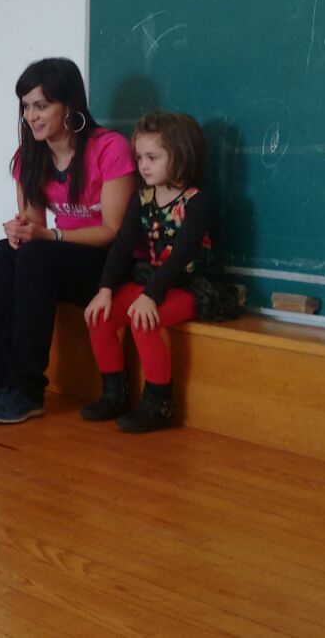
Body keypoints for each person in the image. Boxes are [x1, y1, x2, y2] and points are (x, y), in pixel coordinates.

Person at [0, 58, 135, 424]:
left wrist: (51, 235)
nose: (31, 116)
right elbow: (34, 227)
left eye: (41, 106)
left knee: (37, 256)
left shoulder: (109, 148)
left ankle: (27, 389)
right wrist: (21, 231)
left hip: (109, 261)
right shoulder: (29, 157)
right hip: (60, 258)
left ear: (68, 105)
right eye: (25, 107)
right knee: (3, 253)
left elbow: (113, 230)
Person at [83, 112, 233, 432]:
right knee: (100, 316)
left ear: (179, 155)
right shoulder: (142, 198)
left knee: (144, 319)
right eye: (139, 157)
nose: (143, 166)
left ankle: (158, 404)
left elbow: (181, 256)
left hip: (192, 284)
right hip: (154, 280)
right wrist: (105, 290)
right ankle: (114, 393)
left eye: (152, 157)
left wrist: (150, 296)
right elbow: (122, 246)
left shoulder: (197, 201)